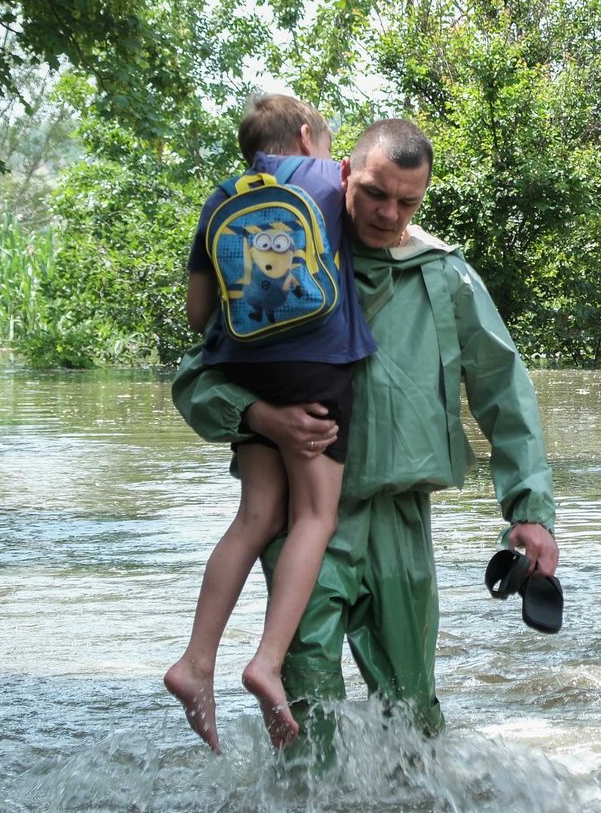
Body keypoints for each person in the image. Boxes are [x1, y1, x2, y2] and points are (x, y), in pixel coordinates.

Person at [172, 118, 559, 738]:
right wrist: (263, 416)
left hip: (403, 523)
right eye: (375, 193)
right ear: (344, 174)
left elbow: (504, 394)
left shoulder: (444, 274)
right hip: (307, 525)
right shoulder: (291, 262)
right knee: (305, 718)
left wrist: (530, 509)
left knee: (414, 715)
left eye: (407, 201)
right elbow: (196, 380)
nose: (388, 213)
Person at [165, 93, 376, 752]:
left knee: (256, 516)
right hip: (316, 368)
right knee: (316, 516)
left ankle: (196, 661)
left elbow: (199, 315)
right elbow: (379, 222)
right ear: (309, 134)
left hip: (245, 371)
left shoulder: (221, 199)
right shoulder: (331, 178)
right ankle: (267, 660)